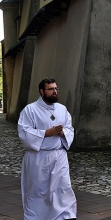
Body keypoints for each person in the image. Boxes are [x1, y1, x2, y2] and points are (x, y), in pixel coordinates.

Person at [18, 78, 77, 220]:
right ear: (42, 91)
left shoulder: (62, 109)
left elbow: (70, 128)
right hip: (38, 158)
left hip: (59, 156)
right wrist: (45, 133)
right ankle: (37, 216)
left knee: (63, 189)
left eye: (56, 88)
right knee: (38, 191)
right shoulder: (30, 110)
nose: (55, 91)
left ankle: (65, 216)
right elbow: (23, 132)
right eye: (51, 89)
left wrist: (63, 133)